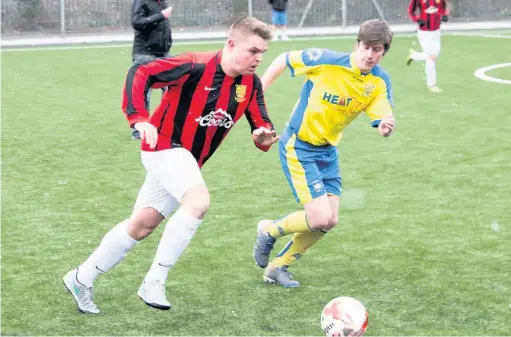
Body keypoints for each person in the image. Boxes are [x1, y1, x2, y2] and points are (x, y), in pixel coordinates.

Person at [63, 17, 278, 314]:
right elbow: (141, 71)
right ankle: (155, 280)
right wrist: (138, 116)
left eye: (263, 53)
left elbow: (262, 124)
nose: (258, 58)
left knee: (140, 226)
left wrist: (264, 137)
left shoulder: (250, 85)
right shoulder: (194, 66)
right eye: (253, 51)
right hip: (162, 147)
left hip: (186, 162)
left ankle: (80, 278)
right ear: (231, 44)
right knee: (198, 201)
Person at [252, 19, 396, 287]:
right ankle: (268, 230)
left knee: (329, 221)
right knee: (319, 217)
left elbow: (383, 118)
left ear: (384, 51)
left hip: (328, 151)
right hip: (299, 145)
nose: (369, 54)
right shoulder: (328, 61)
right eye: (366, 47)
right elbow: (284, 58)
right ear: (357, 44)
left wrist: (386, 126)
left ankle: (277, 267)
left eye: (377, 50)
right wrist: (256, 94)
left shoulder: (378, 81)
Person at [130, 0, 174, 139]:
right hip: (145, 53)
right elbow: (136, 22)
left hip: (163, 53)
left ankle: (165, 124)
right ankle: (139, 130)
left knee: (172, 88)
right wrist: (160, 16)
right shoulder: (142, 1)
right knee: (144, 92)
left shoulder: (161, 2)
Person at [406, 0, 450, 93]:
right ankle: (432, 85)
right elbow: (410, 11)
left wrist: (445, 15)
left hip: (436, 32)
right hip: (424, 32)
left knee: (434, 55)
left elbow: (443, 8)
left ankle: (413, 55)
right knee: (431, 57)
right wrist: (417, 20)